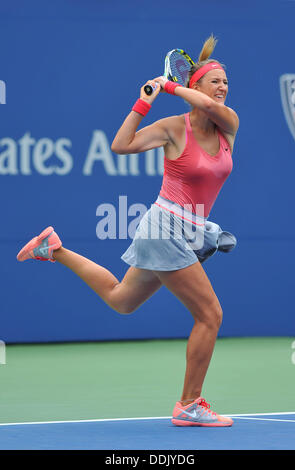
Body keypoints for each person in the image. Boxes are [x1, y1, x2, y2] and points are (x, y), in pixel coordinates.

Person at [17, 35, 239, 427]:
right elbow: (121, 145)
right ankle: (189, 404)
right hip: (164, 226)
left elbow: (203, 105)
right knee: (210, 315)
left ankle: (54, 249)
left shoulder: (228, 124)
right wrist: (146, 100)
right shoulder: (172, 127)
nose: (222, 88)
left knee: (122, 300)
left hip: (189, 228)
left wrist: (173, 86)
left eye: (226, 82)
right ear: (197, 85)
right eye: (215, 81)